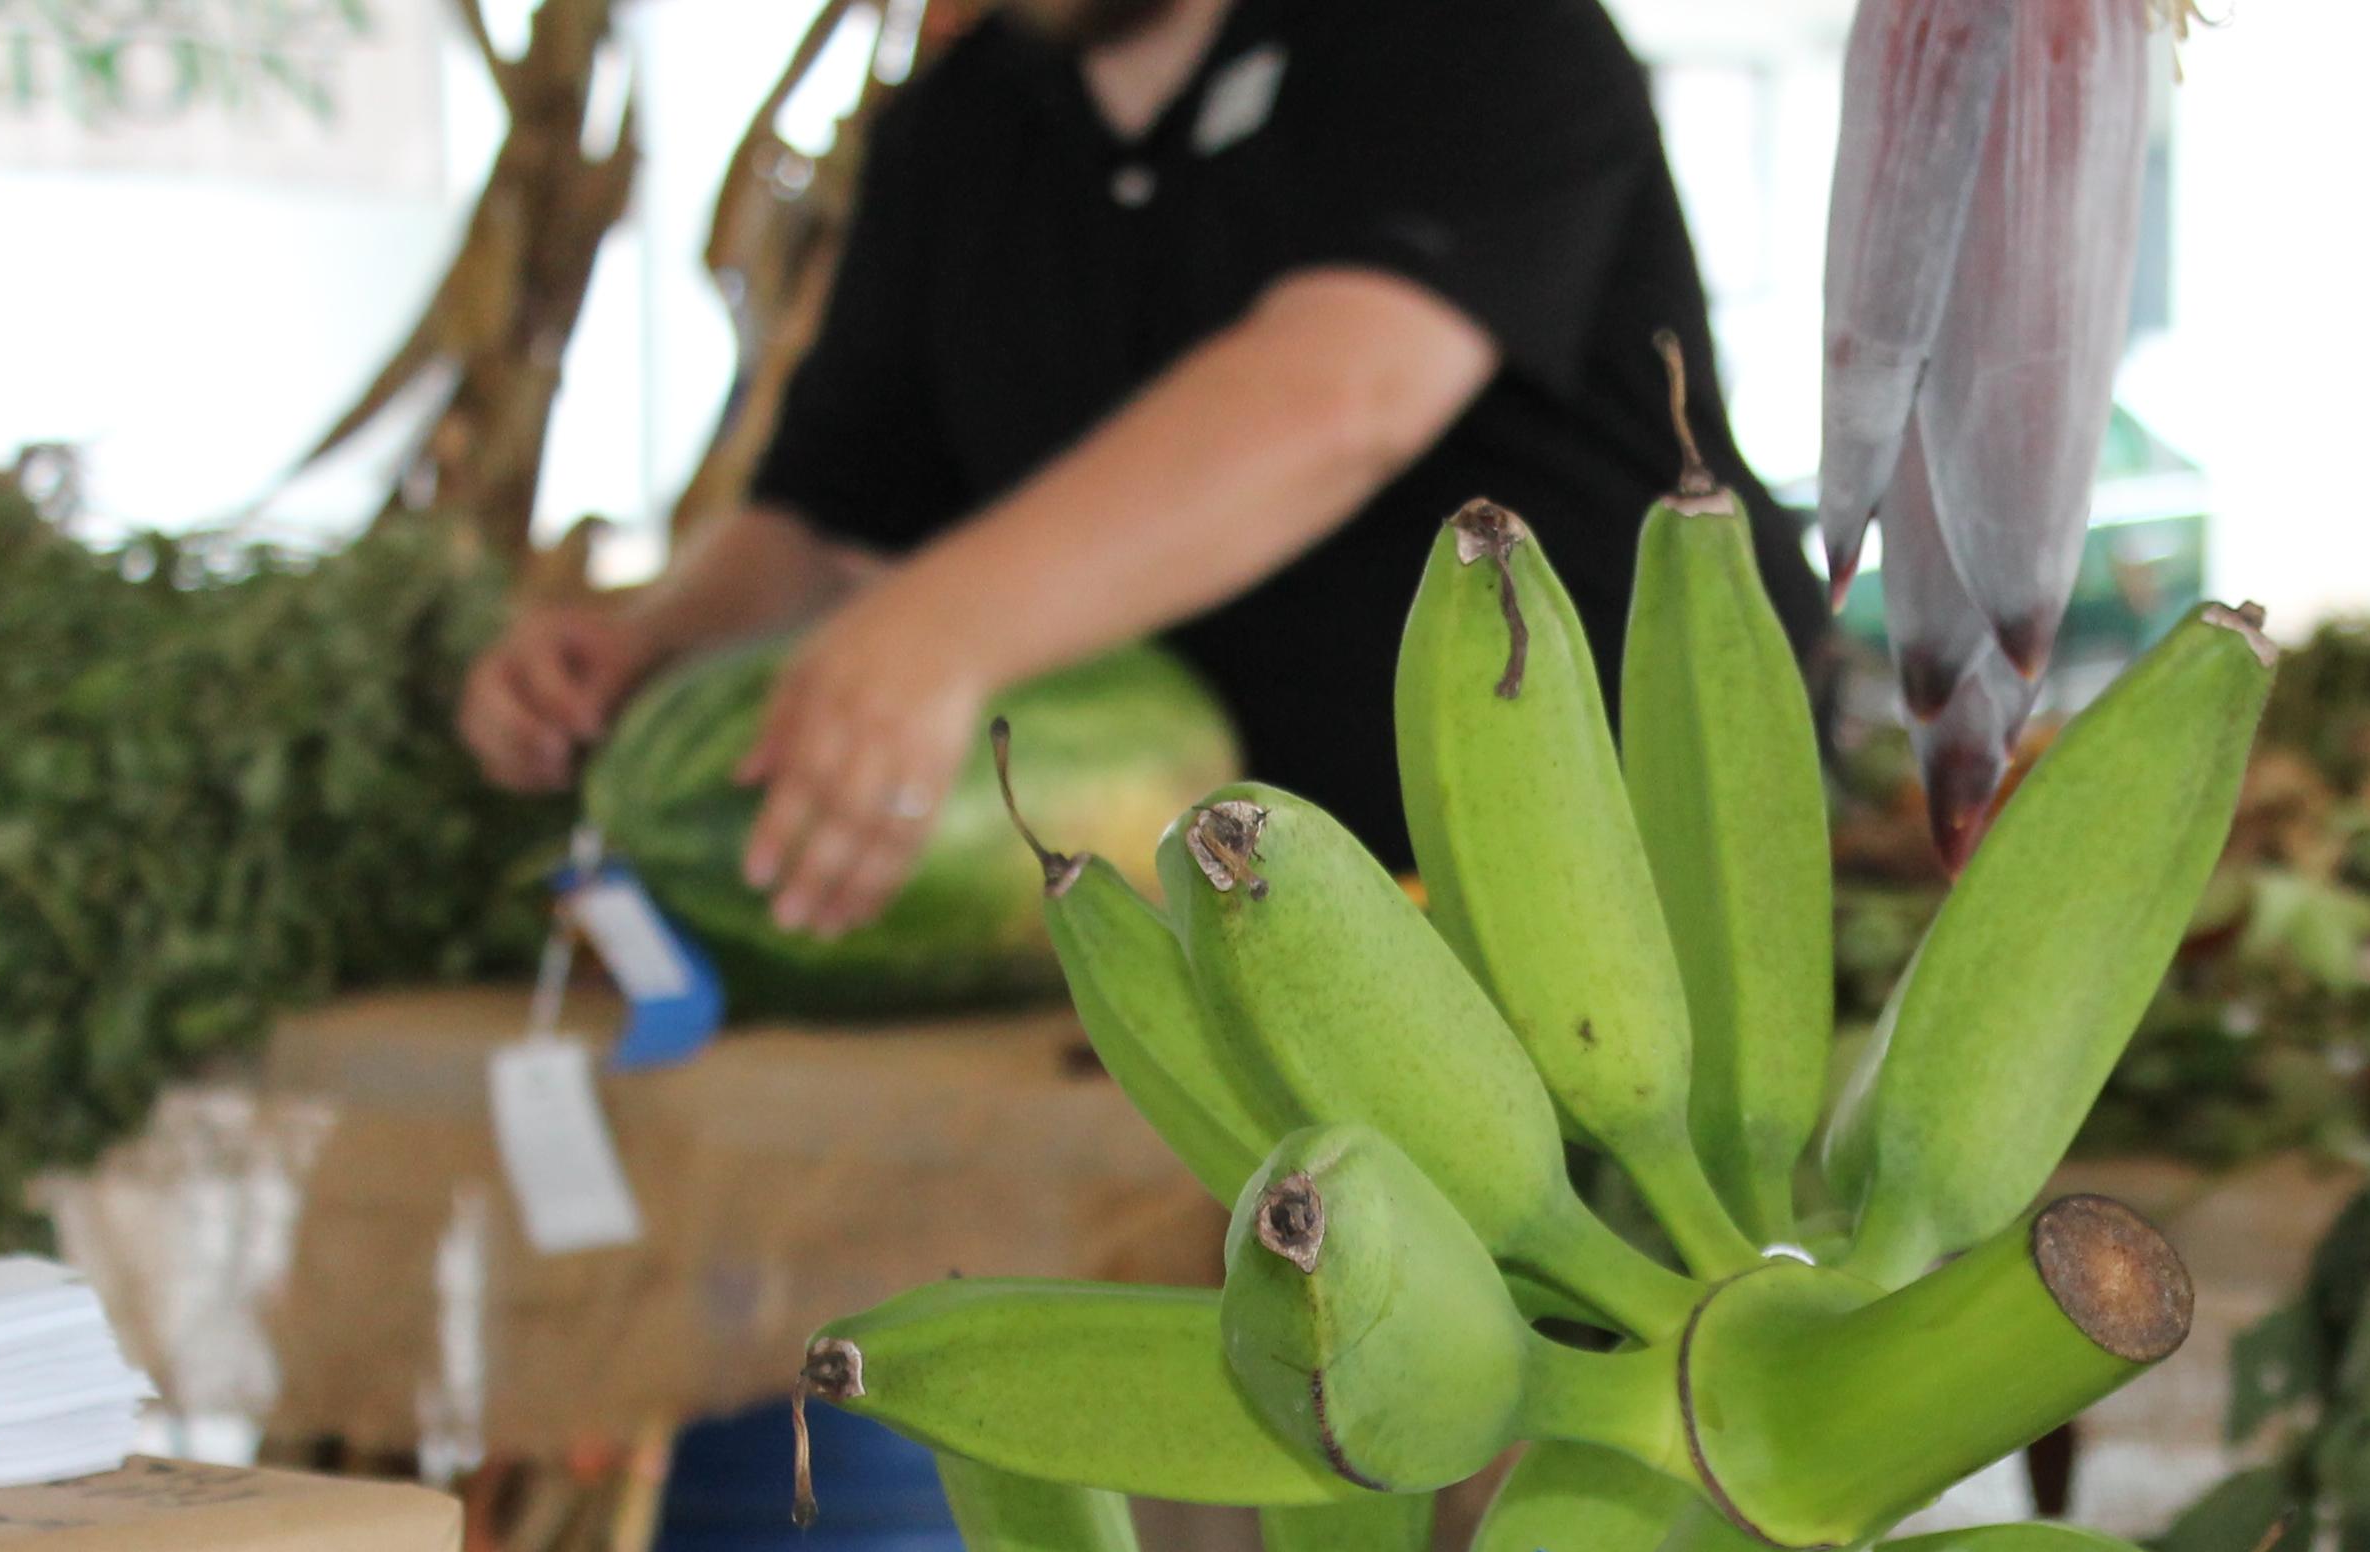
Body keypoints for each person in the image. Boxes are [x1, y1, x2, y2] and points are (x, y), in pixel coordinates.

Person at [460, 0, 1826, 936]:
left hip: (1624, 884)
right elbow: (834, 521)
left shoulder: (1473, 29)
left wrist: (940, 630)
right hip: (1237, 920)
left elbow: (1343, 394)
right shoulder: (958, 127)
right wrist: (648, 646)